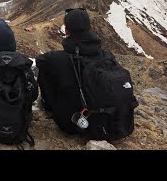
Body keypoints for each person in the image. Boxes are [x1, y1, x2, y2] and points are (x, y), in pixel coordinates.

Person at [36, 8, 137, 140]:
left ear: (66, 30)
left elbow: (39, 62)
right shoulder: (107, 55)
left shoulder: (55, 58)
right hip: (114, 120)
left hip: (72, 123)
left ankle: (47, 107)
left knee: (46, 70)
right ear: (90, 27)